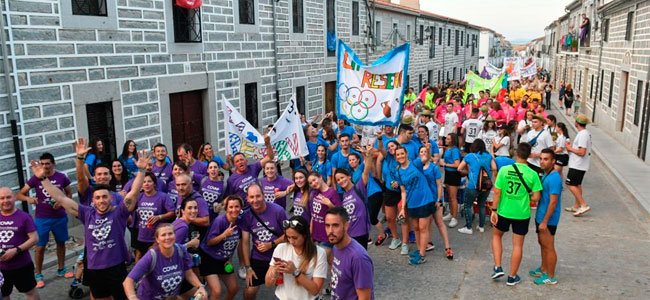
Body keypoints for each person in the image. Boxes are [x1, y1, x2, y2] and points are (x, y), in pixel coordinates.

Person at [35, 149, 149, 300]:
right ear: (93, 201)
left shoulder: (119, 213)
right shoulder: (86, 213)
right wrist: (43, 179)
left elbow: (134, 193)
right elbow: (61, 198)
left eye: (104, 197)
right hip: (94, 268)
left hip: (116, 267)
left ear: (111, 199)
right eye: (98, 198)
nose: (101, 200)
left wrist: (141, 170)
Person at [16, 152, 73, 287]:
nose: (45, 166)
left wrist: (63, 202)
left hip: (59, 217)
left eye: (47, 163)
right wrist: (29, 199)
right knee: (40, 246)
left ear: (53, 164)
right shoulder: (35, 178)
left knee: (61, 243)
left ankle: (61, 268)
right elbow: (19, 194)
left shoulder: (61, 177)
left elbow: (69, 193)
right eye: (42, 164)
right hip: (42, 217)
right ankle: (38, 274)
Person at [490, 143, 542, 286]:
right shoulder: (533, 174)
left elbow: (497, 193)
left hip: (504, 210)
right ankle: (512, 277)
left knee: (496, 236)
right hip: (522, 213)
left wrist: (494, 210)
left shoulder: (504, 170)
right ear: (530, 156)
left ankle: (498, 266)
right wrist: (526, 198)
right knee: (517, 245)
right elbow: (536, 198)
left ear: (516, 154)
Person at [123, 223, 207, 300]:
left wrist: (200, 286)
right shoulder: (151, 256)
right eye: (163, 235)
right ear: (157, 239)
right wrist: (133, 298)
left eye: (170, 234)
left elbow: (188, 273)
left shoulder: (181, 250)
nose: (167, 237)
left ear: (175, 235)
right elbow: (128, 281)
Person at [240, 184, 288, 300]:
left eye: (258, 196)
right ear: (247, 198)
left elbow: (291, 234)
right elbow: (245, 243)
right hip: (258, 258)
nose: (255, 200)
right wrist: (248, 268)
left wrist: (272, 244)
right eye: (252, 197)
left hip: (280, 257)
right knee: (250, 291)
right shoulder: (247, 216)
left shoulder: (278, 211)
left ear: (264, 195)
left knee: (286, 291)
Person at [265, 216, 328, 300]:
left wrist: (295, 272)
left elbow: (315, 290)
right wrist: (274, 273)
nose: (291, 241)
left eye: (295, 238)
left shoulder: (319, 253)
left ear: (305, 235)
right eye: (288, 237)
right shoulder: (281, 248)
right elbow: (268, 284)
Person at [395, 146, 436, 265]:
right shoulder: (398, 172)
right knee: (416, 228)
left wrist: (428, 149)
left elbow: (426, 158)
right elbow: (403, 191)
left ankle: (422, 255)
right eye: (398, 155)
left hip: (425, 200)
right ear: (396, 157)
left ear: (406, 153)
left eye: (402, 153)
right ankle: (419, 250)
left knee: (423, 228)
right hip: (412, 203)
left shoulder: (416, 163)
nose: (401, 156)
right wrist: (402, 209)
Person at [199, 195, 244, 300]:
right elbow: (209, 242)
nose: (234, 210)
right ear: (226, 208)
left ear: (241, 208)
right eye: (231, 207)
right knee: (217, 291)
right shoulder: (220, 221)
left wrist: (228, 259)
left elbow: (233, 244)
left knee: (234, 288)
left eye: (237, 206)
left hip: (223, 260)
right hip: (209, 258)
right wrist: (224, 234)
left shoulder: (240, 221)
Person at [325, 207, 374, 300]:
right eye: (327, 225)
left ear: (346, 226)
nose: (330, 231)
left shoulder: (358, 258)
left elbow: (364, 298)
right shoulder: (336, 246)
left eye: (335, 225)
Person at [0, 187, 41, 300]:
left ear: (14, 198)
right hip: (1, 268)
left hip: (22, 265)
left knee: (31, 293)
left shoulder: (24, 217)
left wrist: (16, 250)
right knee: (4, 295)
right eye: (2, 198)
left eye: (8, 197)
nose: (5, 201)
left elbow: (34, 238)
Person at [414, 145, 453, 259]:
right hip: (423, 200)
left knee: (439, 222)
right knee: (425, 224)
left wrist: (438, 200)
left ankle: (448, 247)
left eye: (425, 151)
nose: (423, 153)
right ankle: (426, 244)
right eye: (421, 151)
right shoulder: (417, 167)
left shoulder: (433, 167)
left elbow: (439, 184)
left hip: (434, 199)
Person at [530, 149, 562, 285]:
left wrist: (545, 221)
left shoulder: (554, 178)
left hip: (548, 219)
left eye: (546, 159)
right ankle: (543, 268)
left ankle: (550, 276)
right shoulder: (546, 174)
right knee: (542, 244)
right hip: (541, 216)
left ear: (553, 161)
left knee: (549, 246)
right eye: (541, 159)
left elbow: (553, 202)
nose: (542, 161)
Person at [334, 147, 374, 250]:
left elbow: (366, 169)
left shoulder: (359, 187)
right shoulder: (343, 196)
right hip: (349, 233)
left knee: (360, 257)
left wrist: (368, 155)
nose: (341, 181)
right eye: (338, 180)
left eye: (342, 177)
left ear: (349, 176)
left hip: (361, 232)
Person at [133, 173, 176, 261]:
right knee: (139, 255)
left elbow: (172, 213)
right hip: (142, 235)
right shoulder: (139, 197)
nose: (146, 184)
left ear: (155, 184)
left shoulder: (163, 196)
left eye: (149, 181)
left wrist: (159, 217)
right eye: (144, 182)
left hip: (157, 235)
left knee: (154, 257)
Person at [457, 140, 497, 234]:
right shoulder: (488, 156)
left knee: (468, 205)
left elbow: (459, 168)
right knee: (482, 205)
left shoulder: (470, 156)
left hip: (473, 185)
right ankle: (481, 226)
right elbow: (494, 168)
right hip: (486, 185)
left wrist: (470, 173)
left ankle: (469, 227)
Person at [224, 135, 274, 209]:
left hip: (259, 207)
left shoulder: (253, 167)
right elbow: (229, 198)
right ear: (235, 165)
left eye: (241, 160)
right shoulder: (231, 180)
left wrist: (268, 144)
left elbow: (269, 157)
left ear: (246, 161)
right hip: (245, 212)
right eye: (237, 161)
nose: (240, 162)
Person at [307, 172, 341, 258]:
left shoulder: (332, 193)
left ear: (320, 177)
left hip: (327, 235)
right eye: (310, 183)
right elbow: (313, 215)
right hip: (316, 234)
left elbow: (339, 213)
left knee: (320, 260)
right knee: (329, 261)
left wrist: (329, 204)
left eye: (314, 180)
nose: (313, 183)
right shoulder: (314, 193)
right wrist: (311, 231)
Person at [565, 114, 592, 216]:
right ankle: (577, 205)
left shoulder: (582, 135)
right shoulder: (585, 133)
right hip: (580, 164)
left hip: (578, 164)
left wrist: (570, 148)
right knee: (577, 184)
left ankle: (583, 204)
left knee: (569, 184)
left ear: (576, 123)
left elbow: (582, 152)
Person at [440, 133, 461, 228]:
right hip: (448, 173)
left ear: (452, 140)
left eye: (448, 139)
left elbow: (457, 164)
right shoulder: (449, 149)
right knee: (449, 195)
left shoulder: (455, 150)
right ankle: (451, 214)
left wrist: (445, 164)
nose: (446, 140)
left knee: (453, 197)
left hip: (453, 174)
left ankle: (454, 217)